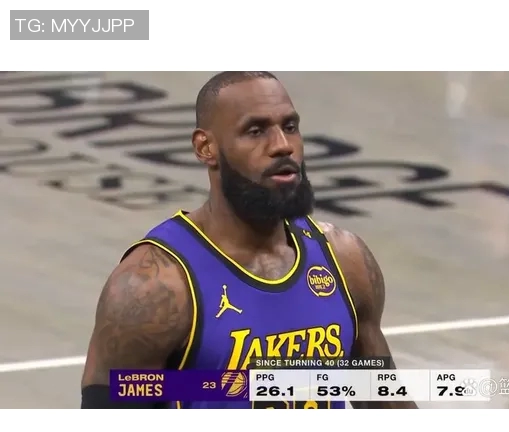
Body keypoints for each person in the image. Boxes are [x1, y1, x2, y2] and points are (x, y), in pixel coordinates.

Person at [80, 71, 418, 409]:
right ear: (206, 147)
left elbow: (386, 405)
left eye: (290, 126)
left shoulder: (344, 260)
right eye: (255, 131)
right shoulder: (153, 286)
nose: (282, 145)